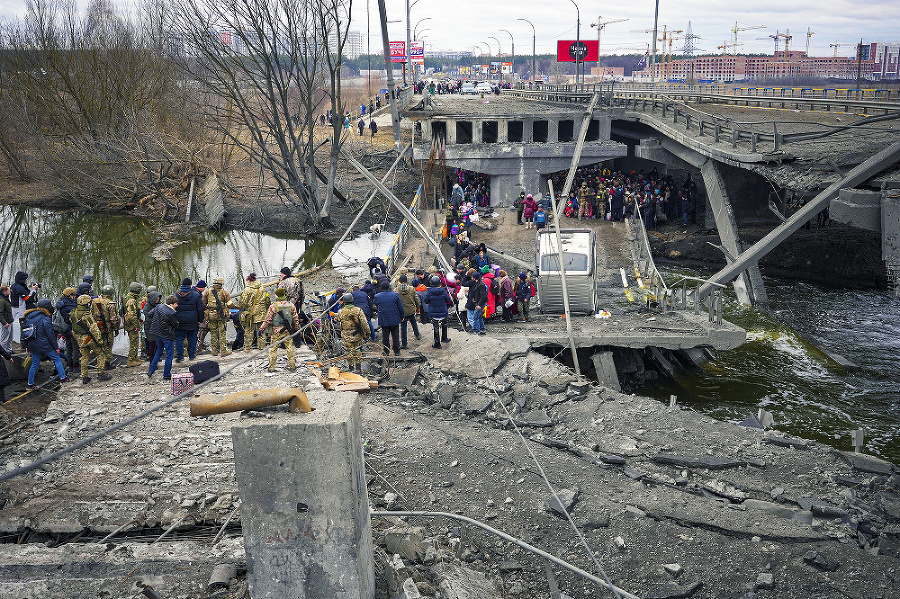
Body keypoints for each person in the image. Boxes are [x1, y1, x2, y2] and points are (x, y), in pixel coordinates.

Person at [24, 299, 70, 388]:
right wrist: (56, 347)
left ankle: (30, 384)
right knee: (57, 359)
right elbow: (50, 335)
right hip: (44, 345)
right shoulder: (45, 318)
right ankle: (63, 379)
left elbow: (25, 332)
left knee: (34, 364)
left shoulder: (28, 317)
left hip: (32, 344)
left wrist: (27, 345)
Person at [259, 288, 300, 372]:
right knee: (290, 350)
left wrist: (261, 329)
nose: (274, 295)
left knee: (273, 350)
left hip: (276, 332)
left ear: (277, 295)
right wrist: (296, 329)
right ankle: (292, 366)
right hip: (288, 331)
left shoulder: (273, 306)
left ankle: (271, 368)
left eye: (275, 294)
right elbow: (296, 319)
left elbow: (268, 320)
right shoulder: (291, 305)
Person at [72, 294, 110, 384]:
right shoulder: (86, 315)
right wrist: (99, 340)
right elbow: (94, 328)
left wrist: (78, 339)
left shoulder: (74, 313)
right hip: (89, 338)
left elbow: (73, 329)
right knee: (100, 353)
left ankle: (84, 376)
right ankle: (101, 374)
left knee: (84, 357)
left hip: (80, 339)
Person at [147, 295, 179, 381]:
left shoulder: (158, 306)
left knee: (158, 352)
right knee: (169, 355)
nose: (177, 306)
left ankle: (151, 371)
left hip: (158, 333)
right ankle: (166, 375)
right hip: (167, 335)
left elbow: (149, 314)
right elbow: (176, 324)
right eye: (176, 304)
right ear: (171, 304)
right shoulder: (172, 313)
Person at [335, 293, 370, 372]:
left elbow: (339, 320)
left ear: (344, 302)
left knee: (348, 350)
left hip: (346, 335)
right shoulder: (358, 310)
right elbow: (364, 322)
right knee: (357, 350)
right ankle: (358, 367)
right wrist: (368, 332)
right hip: (357, 334)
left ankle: (351, 367)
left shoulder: (341, 312)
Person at [174, 278, 203, 362]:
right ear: (190, 285)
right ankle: (192, 355)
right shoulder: (196, 295)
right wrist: (200, 320)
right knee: (192, 339)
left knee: (179, 339)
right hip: (192, 321)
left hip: (179, 321)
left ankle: (180, 356)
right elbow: (200, 309)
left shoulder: (175, 295)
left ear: (182, 285)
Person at [372, 280, 404, 356]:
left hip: (384, 319)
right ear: (389, 288)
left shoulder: (377, 296)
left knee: (385, 337)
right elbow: (401, 307)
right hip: (394, 319)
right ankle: (397, 351)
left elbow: (374, 305)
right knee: (395, 336)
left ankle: (386, 351)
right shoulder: (395, 295)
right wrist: (402, 316)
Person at [202, 277, 232, 357]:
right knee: (222, 333)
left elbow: (203, 303)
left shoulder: (207, 292)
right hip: (221, 315)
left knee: (213, 332)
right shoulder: (224, 292)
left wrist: (206, 312)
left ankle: (214, 351)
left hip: (211, 315)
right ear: (221, 284)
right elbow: (229, 303)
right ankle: (223, 351)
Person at [91, 285, 120, 366]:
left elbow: (91, 313)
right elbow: (113, 319)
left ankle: (100, 361)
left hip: (97, 327)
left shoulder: (95, 301)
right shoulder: (111, 304)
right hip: (107, 328)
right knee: (108, 345)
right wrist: (116, 328)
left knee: (99, 344)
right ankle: (107, 363)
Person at [424, 276, 453, 348]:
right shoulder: (443, 291)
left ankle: (437, 343)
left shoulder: (430, 292)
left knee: (436, 327)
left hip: (433, 313)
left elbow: (426, 301)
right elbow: (448, 300)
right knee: (444, 324)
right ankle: (444, 338)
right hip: (443, 312)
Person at [55, 287, 78, 370]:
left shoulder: (60, 304)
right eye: (74, 295)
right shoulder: (70, 306)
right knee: (75, 347)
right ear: (70, 295)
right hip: (71, 329)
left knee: (68, 348)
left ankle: (70, 366)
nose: (75, 297)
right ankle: (76, 366)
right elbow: (73, 319)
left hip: (63, 330)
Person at [123, 282, 143, 367]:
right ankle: (130, 360)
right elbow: (131, 315)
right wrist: (137, 325)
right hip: (131, 324)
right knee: (134, 342)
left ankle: (135, 357)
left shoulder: (131, 297)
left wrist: (139, 319)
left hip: (132, 322)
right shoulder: (131, 300)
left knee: (136, 340)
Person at [462, 270, 488, 335]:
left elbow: (483, 295)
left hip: (480, 303)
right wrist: (475, 299)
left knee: (475, 317)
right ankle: (482, 329)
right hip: (478, 302)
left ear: (474, 278)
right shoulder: (478, 283)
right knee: (479, 317)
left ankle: (476, 331)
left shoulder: (480, 284)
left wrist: (479, 304)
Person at [143, 288, 162, 364]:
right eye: (157, 299)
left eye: (158, 299)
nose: (158, 300)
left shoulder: (157, 305)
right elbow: (148, 319)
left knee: (158, 345)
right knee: (152, 346)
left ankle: (156, 359)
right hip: (150, 329)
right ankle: (152, 362)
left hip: (156, 329)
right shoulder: (147, 307)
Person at [0, 285, 12, 354]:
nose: (10, 291)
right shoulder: (2, 300)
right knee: (4, 338)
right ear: (4, 292)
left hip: (10, 321)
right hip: (6, 323)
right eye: (8, 290)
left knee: (10, 337)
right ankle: (3, 353)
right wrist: (4, 323)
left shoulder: (6, 298)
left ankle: (9, 350)